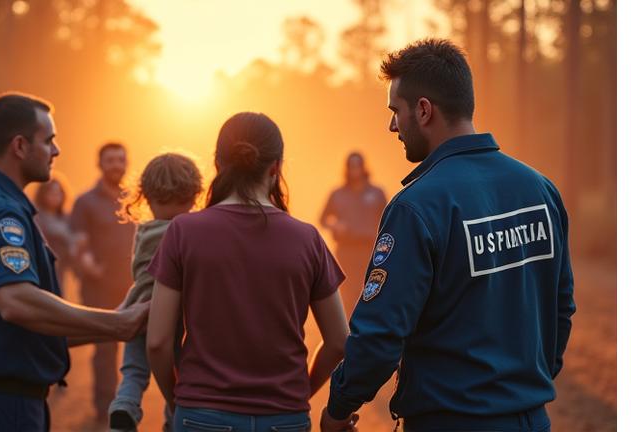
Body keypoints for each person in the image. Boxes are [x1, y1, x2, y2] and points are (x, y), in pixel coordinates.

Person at [321, 39, 576, 432]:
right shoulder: (540, 190)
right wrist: (527, 384)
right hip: (531, 419)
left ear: (424, 110)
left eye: (395, 111)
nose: (392, 126)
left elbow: (379, 337)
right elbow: (562, 306)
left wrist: (338, 408)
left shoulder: (416, 208)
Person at [0, 92, 149, 432]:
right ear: (20, 146)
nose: (56, 150)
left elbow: (24, 329)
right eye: (49, 140)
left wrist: (115, 322)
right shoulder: (0, 212)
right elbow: (16, 302)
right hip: (2, 407)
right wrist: (116, 325)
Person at [146, 112, 350, 432]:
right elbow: (338, 341)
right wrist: (298, 393)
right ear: (276, 167)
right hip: (285, 417)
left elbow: (157, 341)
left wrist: (179, 403)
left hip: (201, 413)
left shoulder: (183, 232)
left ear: (218, 164)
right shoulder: (307, 239)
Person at [108, 153, 203, 432]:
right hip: (179, 317)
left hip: (138, 311)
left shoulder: (143, 232)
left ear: (146, 197)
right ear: (194, 196)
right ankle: (173, 421)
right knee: (179, 375)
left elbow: (138, 273)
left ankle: (125, 404)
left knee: (134, 370)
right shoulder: (192, 233)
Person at [70, 142, 137, 422]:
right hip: (99, 287)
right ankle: (105, 410)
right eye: (110, 160)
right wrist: (88, 264)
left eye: (121, 159)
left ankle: (132, 405)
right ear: (100, 164)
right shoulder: (85, 202)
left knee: (140, 349)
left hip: (134, 285)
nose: (116, 165)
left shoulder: (136, 199)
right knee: (105, 349)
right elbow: (78, 242)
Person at [320, 152, 388, 315]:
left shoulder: (377, 193)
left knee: (371, 289)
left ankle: (370, 323)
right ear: (347, 169)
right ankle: (349, 325)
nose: (355, 170)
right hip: (346, 250)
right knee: (348, 291)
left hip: (371, 250)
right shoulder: (337, 194)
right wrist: (335, 225)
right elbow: (323, 219)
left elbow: (389, 219)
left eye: (358, 166)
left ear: (364, 168)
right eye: (351, 166)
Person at [33, 175, 79, 284]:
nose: (55, 197)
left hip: (61, 268)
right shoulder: (36, 217)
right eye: (52, 193)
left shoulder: (66, 218)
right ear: (43, 194)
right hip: (40, 267)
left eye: (58, 193)